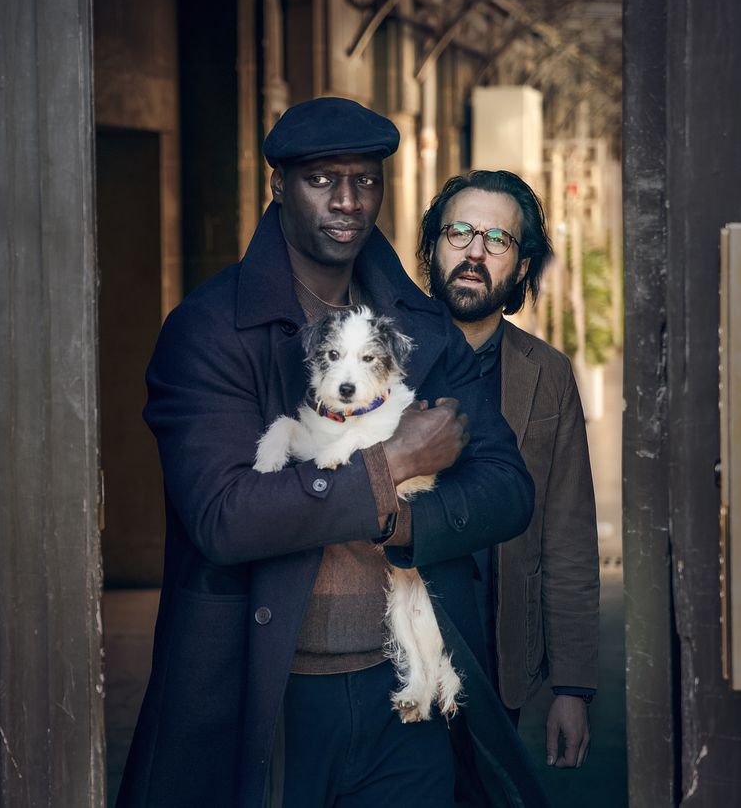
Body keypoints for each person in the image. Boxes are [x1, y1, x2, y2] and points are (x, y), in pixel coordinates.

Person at [118, 98, 549, 807]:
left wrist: (402, 522)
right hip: (270, 696)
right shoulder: (211, 329)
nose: (349, 200)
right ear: (278, 186)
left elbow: (507, 489)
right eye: (322, 180)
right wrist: (393, 467)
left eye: (366, 180)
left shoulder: (423, 328)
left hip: (405, 695)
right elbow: (224, 518)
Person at [421, 169, 600, 771]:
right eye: (460, 232)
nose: (474, 251)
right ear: (432, 246)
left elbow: (568, 535)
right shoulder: (379, 350)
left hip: (498, 655)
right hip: (388, 652)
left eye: (497, 241)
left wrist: (572, 687)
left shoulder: (547, 374)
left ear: (521, 266)